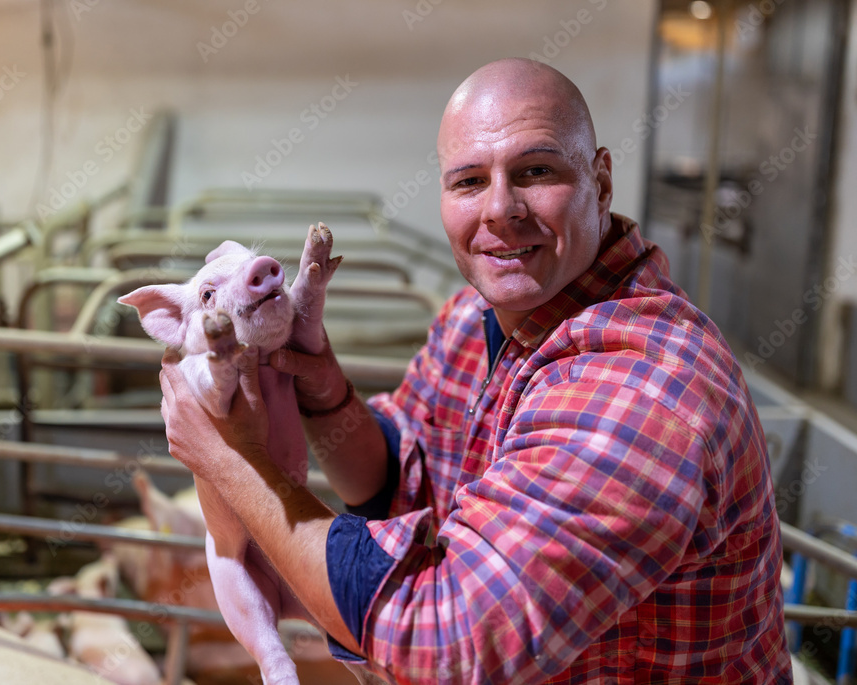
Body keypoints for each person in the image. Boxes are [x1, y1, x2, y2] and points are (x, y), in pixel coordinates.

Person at [159, 58, 793, 684]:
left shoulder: (643, 386)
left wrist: (231, 461)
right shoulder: (475, 317)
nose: (500, 210)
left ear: (600, 182)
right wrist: (321, 386)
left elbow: (449, 643)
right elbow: (396, 474)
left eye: (536, 170)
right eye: (468, 182)